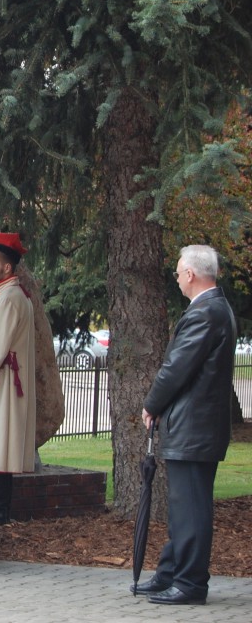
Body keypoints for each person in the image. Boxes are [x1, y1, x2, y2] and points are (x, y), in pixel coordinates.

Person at [134, 245, 236, 605]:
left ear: (191, 274)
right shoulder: (213, 309)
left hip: (194, 427)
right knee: (183, 506)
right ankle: (170, 574)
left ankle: (190, 583)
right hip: (197, 426)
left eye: (178, 272)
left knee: (190, 508)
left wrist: (152, 404)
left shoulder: (205, 312)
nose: (177, 278)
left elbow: (177, 367)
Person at [0, 233, 36, 524]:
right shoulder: (10, 295)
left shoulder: (8, 298)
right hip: (5, 380)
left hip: (1, 382)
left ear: (6, 268)